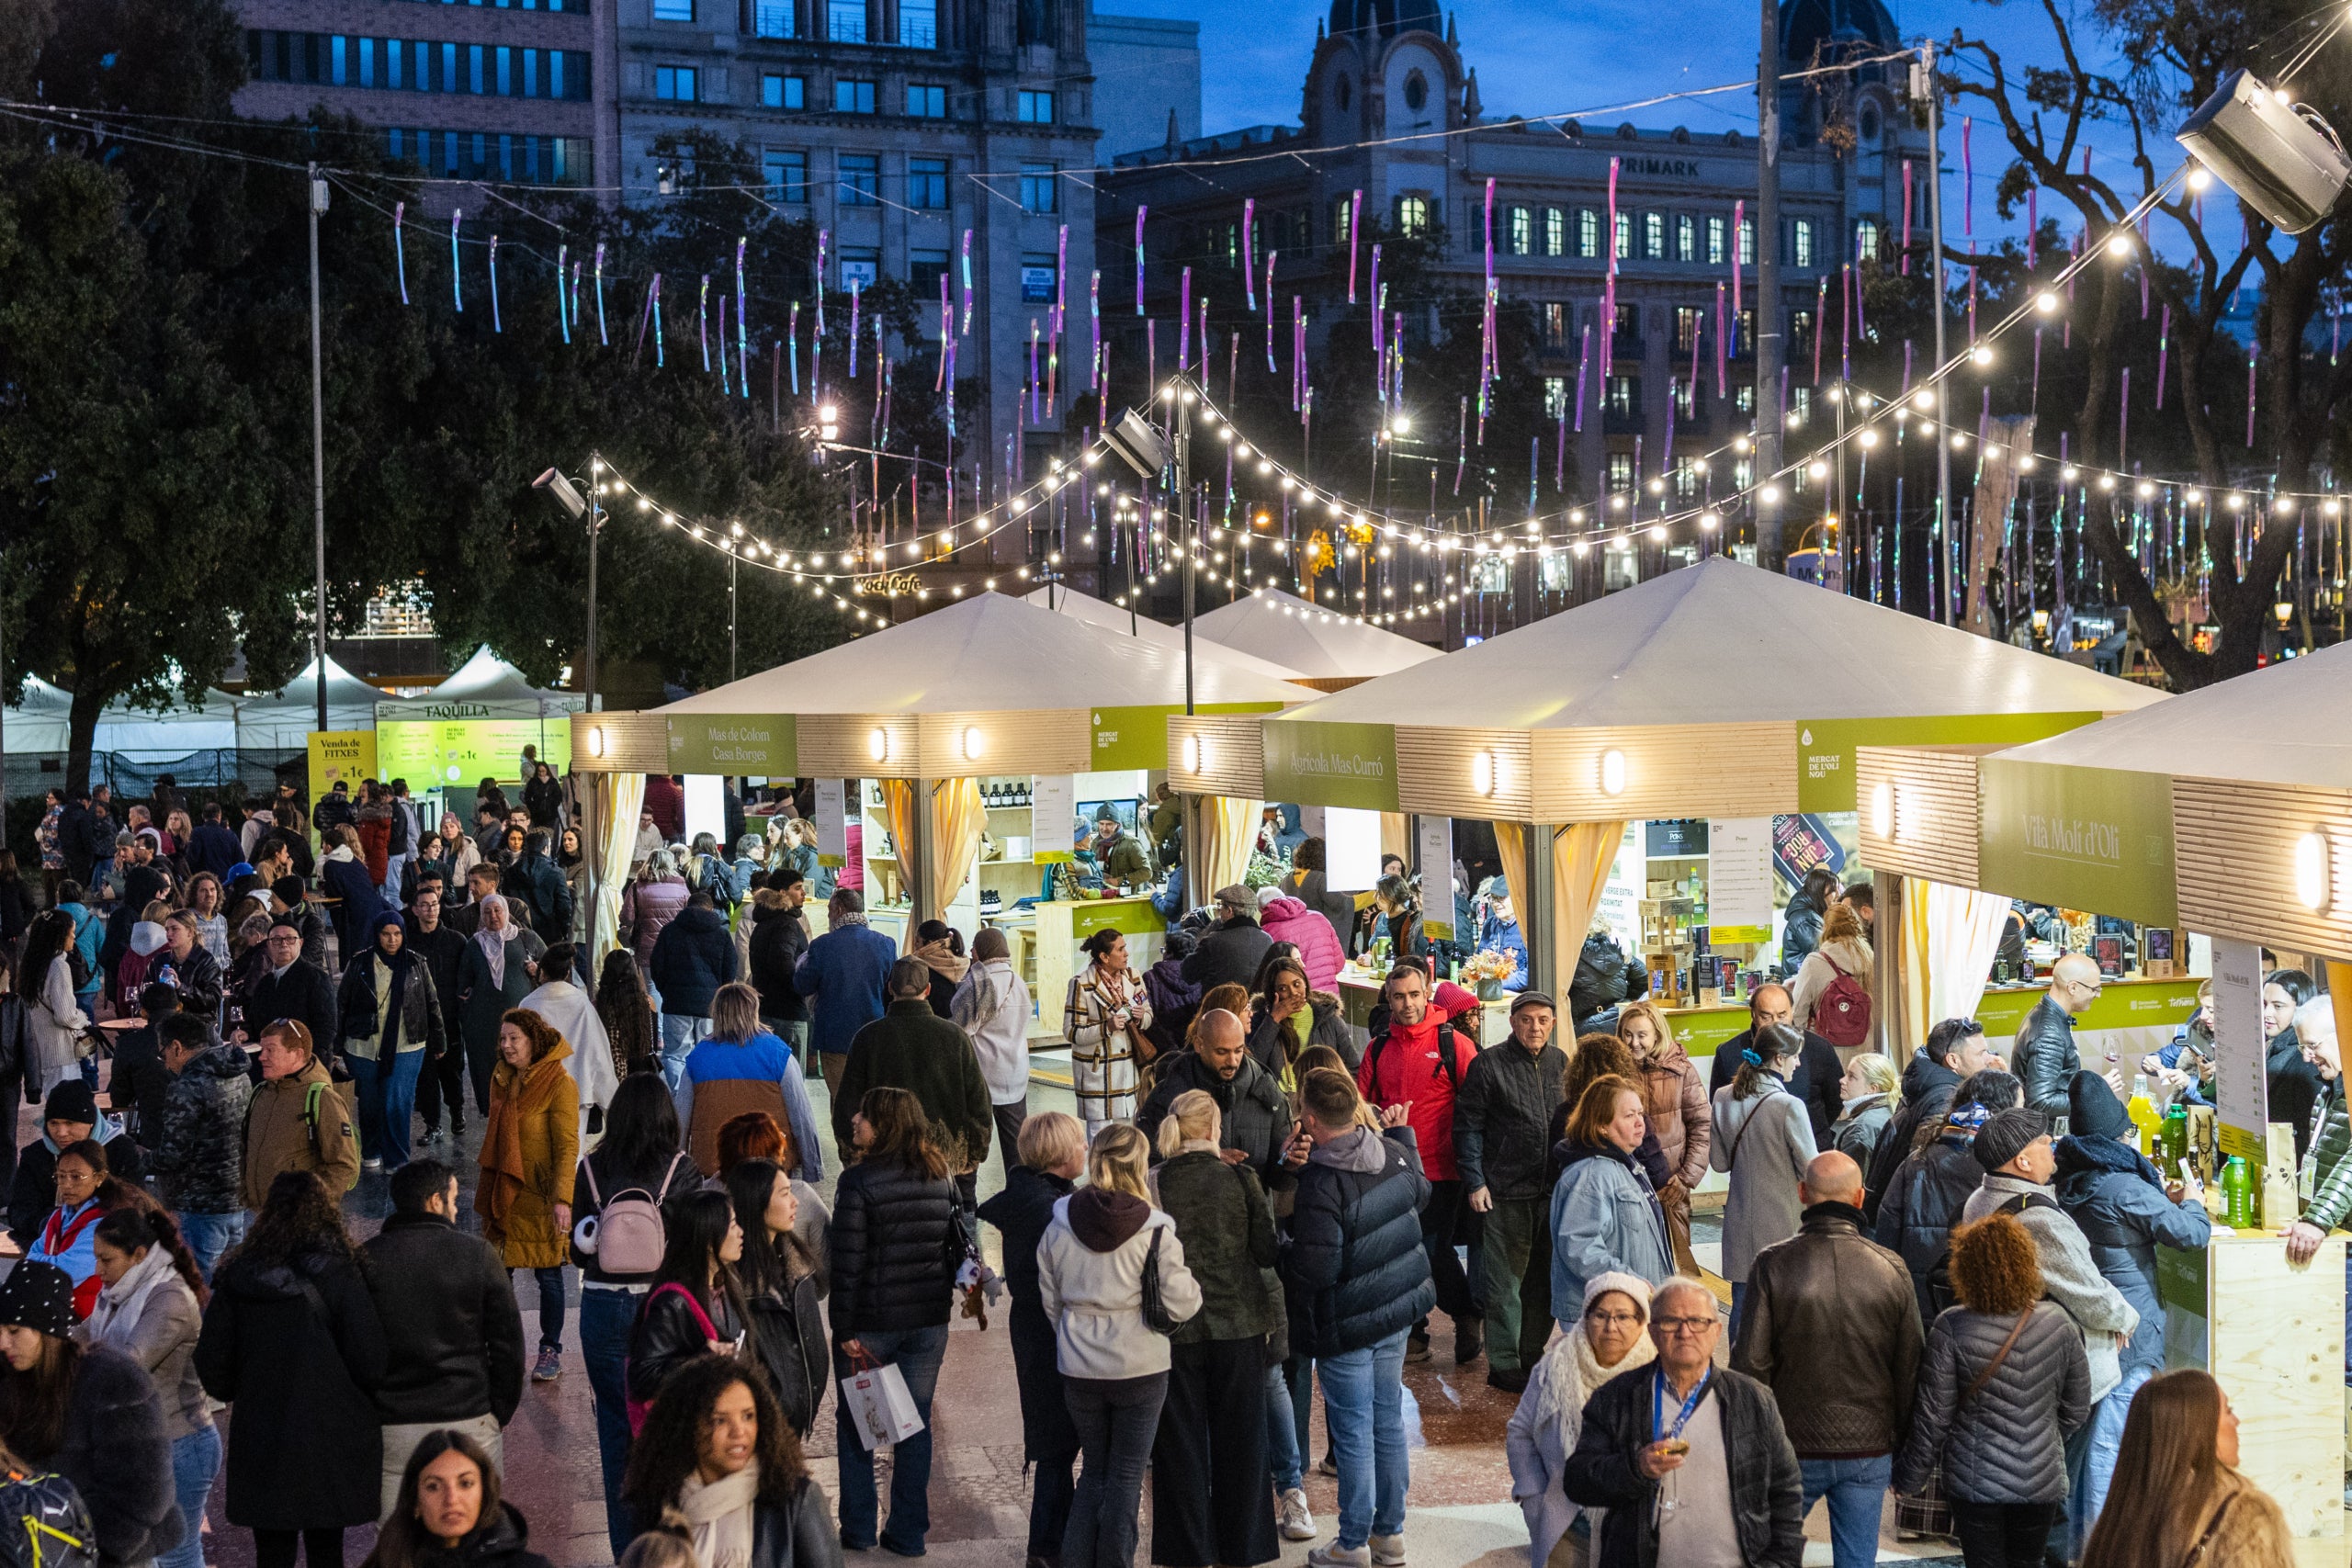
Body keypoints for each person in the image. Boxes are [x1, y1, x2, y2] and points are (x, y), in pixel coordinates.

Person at [1732, 1151, 1923, 1568]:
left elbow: (1750, 1365)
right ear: (1859, 1198)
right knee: (1857, 1560)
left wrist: (1747, 1444)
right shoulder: (1892, 1268)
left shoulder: (1772, 1264)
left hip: (1790, 1445)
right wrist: (1901, 1444)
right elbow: (1909, 1368)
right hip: (1869, 1448)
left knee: (1770, 1557)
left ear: (1802, 1194)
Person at [2052, 1070, 2211, 1551]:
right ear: (2114, 1139)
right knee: (2114, 1447)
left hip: (2089, 1330)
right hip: (2132, 1331)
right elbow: (2191, 1235)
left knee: (2089, 1443)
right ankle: (2107, 1548)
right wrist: (2197, 1203)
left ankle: (2082, 1544)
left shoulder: (2071, 1180)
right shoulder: (2124, 1186)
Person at [1281, 1069, 1434, 1568]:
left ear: (1307, 1118)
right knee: (1387, 1419)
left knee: (1352, 1430)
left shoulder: (1323, 1182)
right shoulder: (1387, 1151)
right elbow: (1421, 1193)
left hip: (1346, 1325)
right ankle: (1390, 1536)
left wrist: (1277, 1249)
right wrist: (1403, 1135)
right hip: (1394, 1315)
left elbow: (1317, 1268)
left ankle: (1352, 1544)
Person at [197, 1171, 390, 1568]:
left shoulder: (239, 1276)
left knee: (272, 1552)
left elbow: (213, 1364)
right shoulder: (342, 1271)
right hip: (331, 1433)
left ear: (268, 1215)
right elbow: (371, 1360)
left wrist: (246, 1386)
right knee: (326, 1550)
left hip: (264, 1432)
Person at [1037, 1122, 1201, 1568]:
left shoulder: (1059, 1222)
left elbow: (1050, 1300)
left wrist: (1075, 1333)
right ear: (1139, 1166)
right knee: (1127, 1474)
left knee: (1093, 1468)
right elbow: (1183, 1303)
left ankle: (1074, 1560)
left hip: (1078, 1366)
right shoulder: (1155, 1228)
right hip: (1141, 1366)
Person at [1562, 1275, 1805, 1568]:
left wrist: (1781, 1563)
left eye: (1697, 1321)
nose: (1684, 1332)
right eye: (1671, 1321)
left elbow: (1786, 1490)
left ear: (1716, 1331)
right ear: (1652, 1332)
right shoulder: (1616, 1397)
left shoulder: (1753, 1399)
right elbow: (1577, 1481)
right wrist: (1634, 1468)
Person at [1893, 1212, 2091, 1568]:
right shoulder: (2060, 1324)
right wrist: (2042, 1437)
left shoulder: (1951, 1327)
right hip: (2040, 1481)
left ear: (1965, 1270)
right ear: (2028, 1263)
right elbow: (2078, 1406)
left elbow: (1933, 1419)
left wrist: (1909, 1477)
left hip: (1974, 1482)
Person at [1148, 1096, 1279, 1568]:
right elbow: (1266, 1251)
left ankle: (1187, 1550)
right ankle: (1244, 1547)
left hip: (1174, 1328)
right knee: (1243, 1441)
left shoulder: (1154, 1182)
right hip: (1239, 1324)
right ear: (1215, 1128)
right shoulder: (1239, 1178)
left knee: (1179, 1444)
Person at [828, 1087, 959, 1557]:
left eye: (865, 1114)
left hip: (872, 1325)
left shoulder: (858, 1182)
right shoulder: (940, 1173)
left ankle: (859, 1527)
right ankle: (907, 1532)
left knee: (858, 1425)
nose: (856, 1120)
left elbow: (847, 1264)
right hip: (928, 1322)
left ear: (883, 1125)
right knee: (915, 1425)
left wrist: (842, 1329)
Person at [572, 1076, 695, 1559]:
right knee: (670, 1432)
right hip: (662, 1308)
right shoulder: (680, 1169)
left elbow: (580, 1255)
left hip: (602, 1308)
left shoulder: (590, 1166)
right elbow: (690, 1248)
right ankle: (672, 1551)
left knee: (616, 1433)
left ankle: (629, 1554)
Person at [362, 1159, 526, 1514]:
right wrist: (499, 1410)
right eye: (452, 1200)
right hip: (469, 1413)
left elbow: (354, 1347)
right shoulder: (477, 1255)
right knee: (476, 1531)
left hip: (392, 1422)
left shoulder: (367, 1259)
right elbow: (507, 1344)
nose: (455, 1209)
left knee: (396, 1538)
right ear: (434, 1201)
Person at [0, 1259, 182, 1568]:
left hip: (107, 1554)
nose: (3, 1342)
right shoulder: (9, 1378)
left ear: (48, 1331)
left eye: (15, 1330)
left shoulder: (112, 1380)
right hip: (35, 1548)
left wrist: (91, 1554)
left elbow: (144, 1491)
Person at [1355, 963, 1482, 1365]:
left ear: (1426, 992)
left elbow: (1477, 1104)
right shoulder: (1378, 1047)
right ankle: (1419, 1330)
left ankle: (1459, 1315)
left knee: (1429, 1250)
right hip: (1393, 1168)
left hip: (1443, 1169)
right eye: (1398, 997)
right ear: (1388, 999)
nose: (1407, 1004)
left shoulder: (1454, 1043)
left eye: (1413, 995)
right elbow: (1361, 1104)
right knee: (1401, 1249)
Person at [977, 1112, 1086, 1568]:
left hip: (1033, 1333)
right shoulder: (1051, 1210)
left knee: (1054, 1444)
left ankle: (1053, 1542)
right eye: (1080, 1143)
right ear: (1061, 1156)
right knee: (1058, 1446)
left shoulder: (1032, 1199)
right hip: (1051, 1337)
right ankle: (1046, 1545)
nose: (1086, 1149)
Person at [76, 1206, 214, 1568]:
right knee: (148, 1554)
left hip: (182, 1442)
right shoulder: (120, 1289)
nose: (97, 1270)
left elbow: (127, 1364)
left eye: (106, 1259)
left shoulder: (169, 1300)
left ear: (139, 1255)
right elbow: (82, 1336)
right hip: (147, 1439)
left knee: (177, 1555)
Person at [620, 1356, 841, 1568]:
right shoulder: (657, 1503)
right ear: (688, 1427)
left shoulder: (795, 1501)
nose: (739, 1431)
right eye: (720, 1420)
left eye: (748, 1416)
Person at [1453, 990, 1567, 1393]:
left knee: (1543, 1281)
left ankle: (1530, 1354)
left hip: (1551, 1192)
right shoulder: (1488, 1065)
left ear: (1553, 1024)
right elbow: (1468, 1127)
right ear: (1512, 1022)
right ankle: (1503, 1363)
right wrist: (1475, 1181)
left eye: (1543, 1020)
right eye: (1526, 1019)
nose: (1535, 1027)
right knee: (1504, 1284)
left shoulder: (1561, 1063)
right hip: (1503, 1191)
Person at [1505, 1274, 1656, 1568]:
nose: (1611, 1326)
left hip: (1632, 1532)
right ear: (1586, 1317)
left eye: (1623, 1316)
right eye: (1600, 1315)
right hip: (1567, 1527)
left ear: (1643, 1322)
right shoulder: (1557, 1364)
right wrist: (1532, 1494)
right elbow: (1520, 1431)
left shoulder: (1657, 1374)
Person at [2078, 1369, 2297, 1568]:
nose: (2236, 1421)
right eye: (2228, 1411)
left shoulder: (2115, 1527)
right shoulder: (2244, 1515)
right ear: (2199, 1433)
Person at [476, 1010, 579, 1385]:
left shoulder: (560, 1084)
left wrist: (563, 1199)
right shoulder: (501, 1079)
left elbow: (568, 1147)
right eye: (502, 1039)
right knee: (498, 1275)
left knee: (549, 1274)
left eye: (513, 1038)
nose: (505, 1046)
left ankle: (550, 1348)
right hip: (503, 1191)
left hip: (540, 1195)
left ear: (533, 1041)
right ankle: (500, 1348)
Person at [831, 960, 992, 1197]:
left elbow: (846, 1105)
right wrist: (972, 1157)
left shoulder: (867, 1038)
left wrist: (853, 1157)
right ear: (927, 990)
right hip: (950, 1169)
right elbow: (979, 1104)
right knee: (960, 1229)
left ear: (889, 989)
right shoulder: (955, 1037)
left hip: (883, 1168)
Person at [1873, 1070, 2024, 1323]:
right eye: (2021, 1108)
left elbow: (1887, 1233)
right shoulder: (2008, 1167)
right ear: (2004, 1115)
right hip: (1990, 1306)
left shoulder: (1916, 1161)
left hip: (1924, 1302)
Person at [1710, 1021, 1818, 1333]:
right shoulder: (1788, 1106)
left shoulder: (1722, 1096)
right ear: (1780, 1058)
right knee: (1784, 1311)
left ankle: (1740, 1372)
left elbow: (1718, 1163)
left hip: (1739, 1221)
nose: (1798, 1063)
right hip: (1786, 1224)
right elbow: (1812, 1169)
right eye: (1795, 1056)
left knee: (1743, 1309)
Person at [1548, 1075, 1676, 1331]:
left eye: (1641, 1113)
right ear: (1601, 1125)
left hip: (1628, 1308)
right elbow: (1579, 1246)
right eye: (1629, 1116)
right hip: (1602, 1315)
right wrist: (1630, 1282)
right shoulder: (1590, 1175)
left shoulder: (1627, 1165)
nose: (1641, 1123)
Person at [725, 1158, 830, 1438]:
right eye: (784, 1194)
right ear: (757, 1202)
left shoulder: (794, 1260)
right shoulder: (736, 1281)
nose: (795, 1202)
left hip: (794, 1416)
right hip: (761, 1423)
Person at [679, 983, 824, 1183]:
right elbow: (802, 1117)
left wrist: (678, 1173)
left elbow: (681, 1121)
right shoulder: (778, 1055)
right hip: (770, 1163)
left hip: (714, 1167)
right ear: (754, 1010)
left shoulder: (697, 1059)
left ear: (716, 1013)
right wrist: (812, 1168)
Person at [624, 1189, 751, 1420]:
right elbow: (641, 1377)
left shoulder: (726, 1285)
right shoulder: (673, 1301)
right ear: (708, 1239)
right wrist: (701, 1361)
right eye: (733, 1226)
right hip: (686, 1434)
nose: (741, 1233)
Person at [1864, 1018, 2004, 1226]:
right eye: (1980, 1053)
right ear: (1953, 1060)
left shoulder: (1928, 1084)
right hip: (1926, 1219)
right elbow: (1931, 1168)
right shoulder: (1947, 1097)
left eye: (1988, 1051)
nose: (1989, 1060)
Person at [1135, 1008, 1296, 1189]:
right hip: (1189, 1212)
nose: (1233, 1061)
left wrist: (1288, 1163)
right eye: (1222, 1052)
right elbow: (1144, 1168)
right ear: (1199, 1044)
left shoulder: (1266, 1093)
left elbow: (1279, 1182)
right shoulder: (1168, 1095)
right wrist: (1201, 1162)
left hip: (1251, 1215)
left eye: (1238, 1050)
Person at [336, 909, 444, 1172]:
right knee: (370, 1101)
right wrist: (336, 1046)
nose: (392, 940)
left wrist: (439, 1040)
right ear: (377, 935)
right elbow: (342, 1004)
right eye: (385, 934)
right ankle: (371, 1149)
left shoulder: (416, 963)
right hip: (363, 1044)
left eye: (396, 934)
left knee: (398, 1100)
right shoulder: (360, 962)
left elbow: (431, 1002)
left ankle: (396, 1158)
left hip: (407, 1045)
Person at [150, 1013, 254, 1280]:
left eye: (163, 1054)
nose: (165, 1064)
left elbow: (173, 1155)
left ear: (176, 1047)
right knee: (231, 1280)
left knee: (200, 1283)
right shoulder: (239, 1074)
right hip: (237, 1198)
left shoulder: (187, 1086)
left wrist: (142, 1158)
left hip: (200, 1205)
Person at [367, 1429, 557, 1568]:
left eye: (465, 1484)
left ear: (484, 1494)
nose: (451, 1499)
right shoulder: (389, 1560)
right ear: (415, 1502)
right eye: (434, 1486)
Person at [1619, 1001, 1710, 1275]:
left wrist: (1686, 1178)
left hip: (1671, 1187)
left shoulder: (1682, 1070)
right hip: (1627, 1186)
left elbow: (1702, 1126)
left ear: (1657, 1035)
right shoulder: (1615, 1072)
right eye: (1627, 1034)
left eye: (1642, 1035)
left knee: (1672, 1271)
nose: (1634, 1043)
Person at [7, 1083, 141, 1256]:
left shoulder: (120, 1150)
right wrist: (53, 1225)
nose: (61, 1132)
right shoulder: (36, 1155)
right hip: (47, 1246)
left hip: (108, 1246)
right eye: (53, 1123)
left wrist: (86, 1227)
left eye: (70, 1123)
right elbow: (19, 1210)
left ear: (91, 1123)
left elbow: (134, 1204)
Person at [1706, 983, 1844, 1147]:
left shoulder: (1819, 1048)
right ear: (1753, 1015)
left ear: (1792, 1012)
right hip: (1756, 1154)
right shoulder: (1729, 1052)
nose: (1775, 1023)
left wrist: (1812, 1131)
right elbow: (1722, 1109)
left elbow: (1836, 1099)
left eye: (1782, 1015)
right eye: (1766, 1017)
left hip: (1813, 1149)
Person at [243, 1021, 361, 1208]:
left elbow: (344, 1165)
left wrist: (308, 1207)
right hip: (263, 1216)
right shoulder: (261, 1093)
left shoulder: (323, 1099)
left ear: (297, 1054)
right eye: (262, 1050)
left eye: (271, 1050)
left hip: (300, 1221)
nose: (261, 1057)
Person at [793, 889, 897, 1100]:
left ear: (839, 910)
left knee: (841, 1103)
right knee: (871, 1101)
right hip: (874, 1033)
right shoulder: (886, 944)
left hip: (834, 1038)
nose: (828, 916)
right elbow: (891, 989)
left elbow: (803, 985)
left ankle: (844, 1134)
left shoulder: (822, 945)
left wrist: (801, 964)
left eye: (829, 911)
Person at [515, 942, 620, 1144]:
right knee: (572, 1153)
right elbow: (597, 1052)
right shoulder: (581, 1003)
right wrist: (608, 1098)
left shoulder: (527, 1005)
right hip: (577, 1090)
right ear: (567, 973)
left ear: (542, 972)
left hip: (539, 1092)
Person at [951, 928, 1033, 1180]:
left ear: (983, 950)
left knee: (968, 1143)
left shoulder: (979, 983)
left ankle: (966, 1202)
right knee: (1017, 1147)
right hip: (1015, 1073)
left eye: (975, 946)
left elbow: (959, 1030)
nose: (971, 952)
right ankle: (1021, 1194)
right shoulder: (1018, 982)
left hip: (982, 1076)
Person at [456, 898, 544, 1117]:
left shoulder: (525, 938)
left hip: (521, 1018)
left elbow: (554, 967)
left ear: (506, 912)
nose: (493, 916)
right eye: (487, 912)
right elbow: (463, 983)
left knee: (523, 1060)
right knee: (490, 1064)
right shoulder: (475, 944)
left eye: (497, 910)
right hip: (485, 1022)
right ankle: (493, 1109)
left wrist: (538, 969)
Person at [27, 1141, 130, 1320]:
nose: (66, 1185)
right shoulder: (59, 1216)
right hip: (56, 1307)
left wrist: (42, 1262)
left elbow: (63, 1272)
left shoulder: (106, 1223)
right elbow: (31, 1257)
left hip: (89, 1320)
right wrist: (48, 1262)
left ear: (99, 1178)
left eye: (76, 1177)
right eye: (61, 1176)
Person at [1063, 930, 1153, 1135]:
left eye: (1125, 948)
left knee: (1125, 1133)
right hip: (1097, 1071)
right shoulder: (1081, 984)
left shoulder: (1134, 977)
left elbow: (1149, 1016)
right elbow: (1071, 1031)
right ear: (1104, 957)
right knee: (1099, 1135)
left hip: (1127, 1071)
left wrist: (1141, 1017)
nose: (1126, 954)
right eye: (1120, 949)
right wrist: (1106, 1027)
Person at [649, 892, 738, 1089]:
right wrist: (719, 995)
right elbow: (730, 969)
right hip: (710, 1006)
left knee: (676, 1056)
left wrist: (667, 991)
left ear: (687, 907)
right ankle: (705, 1095)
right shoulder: (722, 933)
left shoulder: (670, 931)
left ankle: (680, 1098)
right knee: (709, 1052)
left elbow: (657, 965)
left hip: (677, 1003)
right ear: (711, 908)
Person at [2012, 953, 2104, 1125]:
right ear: (2073, 987)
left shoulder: (2045, 1015)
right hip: (2048, 1133)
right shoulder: (2049, 1034)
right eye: (2094, 989)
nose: (2097, 995)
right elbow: (2041, 1102)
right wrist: (2091, 1095)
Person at [242, 917, 341, 1071]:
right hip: (271, 1065)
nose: (283, 944)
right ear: (268, 945)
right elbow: (255, 1021)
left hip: (304, 1065)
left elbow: (327, 1028)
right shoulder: (266, 982)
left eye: (290, 939)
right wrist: (245, 1033)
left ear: (300, 943)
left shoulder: (315, 977)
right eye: (276, 940)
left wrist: (306, 1059)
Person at [19, 910, 91, 1101]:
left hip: (40, 1048)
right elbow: (65, 1015)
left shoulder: (31, 965)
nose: (74, 937)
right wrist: (83, 1018)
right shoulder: (59, 966)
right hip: (60, 1052)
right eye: (71, 932)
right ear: (60, 936)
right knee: (64, 1109)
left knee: (54, 1111)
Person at [1243, 954, 1353, 1078]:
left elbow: (1353, 1068)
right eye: (1283, 988)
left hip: (1322, 1094)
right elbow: (1252, 1069)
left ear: (1305, 983)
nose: (1293, 993)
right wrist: (1274, 1019)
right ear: (1273, 993)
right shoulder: (1260, 1021)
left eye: (1296, 984)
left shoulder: (1329, 1018)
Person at [2260, 968, 2324, 1160]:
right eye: (2264, 1004)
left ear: (2301, 1008)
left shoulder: (2308, 1057)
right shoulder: (2273, 1046)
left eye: (2278, 1006)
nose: (2266, 1013)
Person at [1789, 897, 1872, 1042]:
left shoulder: (1814, 963)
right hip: (1866, 1049)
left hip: (1827, 1051)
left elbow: (1797, 1014)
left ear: (1825, 928)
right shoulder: (1871, 960)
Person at [746, 880, 811, 1060]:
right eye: (798, 888)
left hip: (766, 1007)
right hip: (788, 1011)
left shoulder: (763, 923)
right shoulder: (786, 923)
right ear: (783, 892)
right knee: (792, 1075)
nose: (804, 893)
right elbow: (783, 962)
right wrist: (801, 988)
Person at [1182, 886, 1272, 994]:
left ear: (1229, 911)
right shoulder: (1267, 940)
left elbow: (1187, 974)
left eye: (1220, 907)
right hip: (1255, 1007)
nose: (1219, 912)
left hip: (1219, 1007)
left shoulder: (1213, 941)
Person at [1256, 891, 1343, 995]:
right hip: (1329, 997)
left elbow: (1268, 975)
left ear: (1261, 909)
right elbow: (1339, 964)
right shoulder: (1319, 918)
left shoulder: (1268, 931)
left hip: (1295, 999)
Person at [622, 852, 690, 973]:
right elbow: (688, 917)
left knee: (651, 987)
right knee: (671, 986)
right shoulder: (682, 887)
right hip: (674, 945)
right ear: (670, 864)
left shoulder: (637, 886)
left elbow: (627, 917)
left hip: (646, 946)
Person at [1831, 1053, 1901, 1166]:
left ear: (1872, 1088)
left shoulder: (1861, 1129)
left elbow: (1850, 1181)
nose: (1842, 1080)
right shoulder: (1888, 1110)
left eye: (1851, 1076)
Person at [1779, 866, 1841, 979]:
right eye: (1833, 890)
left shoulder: (1810, 915)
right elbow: (1823, 954)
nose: (1838, 894)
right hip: (1804, 986)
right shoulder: (1805, 919)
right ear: (1820, 890)